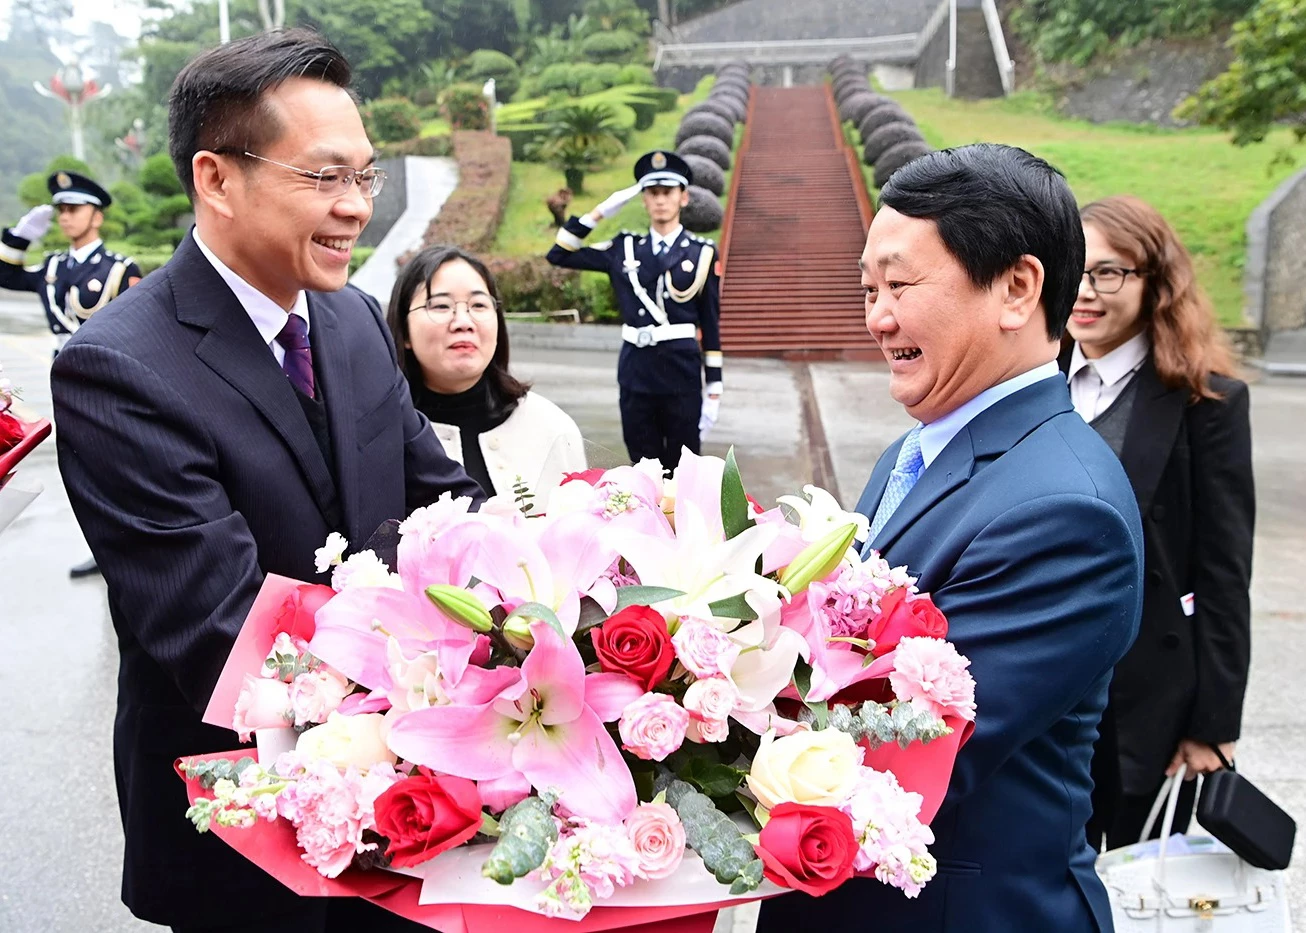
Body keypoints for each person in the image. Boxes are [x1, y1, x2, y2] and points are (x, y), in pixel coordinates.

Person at [49, 30, 481, 933]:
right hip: (246, 840)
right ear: (217, 178)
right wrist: (450, 686)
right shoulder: (120, 366)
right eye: (325, 178)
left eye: (365, 177)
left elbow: (444, 504)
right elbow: (225, 636)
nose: (357, 207)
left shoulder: (356, 319)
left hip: (412, 810)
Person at [758, 144, 1145, 933]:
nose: (877, 316)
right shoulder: (920, 447)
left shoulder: (1067, 510)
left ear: (1016, 287)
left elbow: (916, 751)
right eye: (868, 288)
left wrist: (682, 713)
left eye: (900, 285)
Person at [1064, 195, 1253, 852]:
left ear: (1154, 284)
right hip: (1039, 690)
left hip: (1145, 704)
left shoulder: (1206, 402)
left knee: (1137, 893)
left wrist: (1214, 721)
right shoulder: (1029, 382)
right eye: (1075, 270)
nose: (1085, 292)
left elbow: (1225, 569)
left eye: (1109, 273)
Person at [1, 171, 144, 578]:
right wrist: (18, 237)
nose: (65, 217)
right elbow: (4, 274)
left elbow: (139, 325)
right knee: (86, 468)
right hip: (65, 381)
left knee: (123, 463)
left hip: (111, 379)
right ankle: (104, 547)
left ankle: (134, 542)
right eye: (60, 210)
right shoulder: (52, 268)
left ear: (96, 217)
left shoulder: (119, 268)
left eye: (74, 209)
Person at [546, 149, 721, 474]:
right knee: (642, 469)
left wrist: (714, 386)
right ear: (643, 199)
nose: (659, 200)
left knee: (684, 471)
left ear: (683, 197)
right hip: (636, 372)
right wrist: (599, 213)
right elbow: (560, 254)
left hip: (681, 373)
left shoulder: (702, 253)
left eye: (667, 192)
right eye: (652, 193)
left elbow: (711, 322)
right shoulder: (624, 248)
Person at [385, 245, 586, 500]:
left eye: (478, 305)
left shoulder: (551, 427)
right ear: (405, 330)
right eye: (440, 306)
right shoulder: (379, 435)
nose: (463, 322)